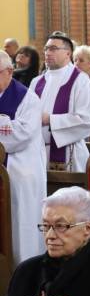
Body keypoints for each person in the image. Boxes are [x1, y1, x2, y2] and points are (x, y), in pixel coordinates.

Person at [0, 51, 47, 265]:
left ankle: (21, 274)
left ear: (9, 72)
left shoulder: (28, 99)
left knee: (20, 230)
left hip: (18, 175)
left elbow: (19, 135)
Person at [30, 31, 90, 172]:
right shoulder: (36, 82)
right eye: (46, 49)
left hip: (69, 155)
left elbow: (86, 121)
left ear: (68, 53)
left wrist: (50, 119)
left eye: (53, 49)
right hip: (37, 155)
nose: (48, 53)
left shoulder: (81, 81)